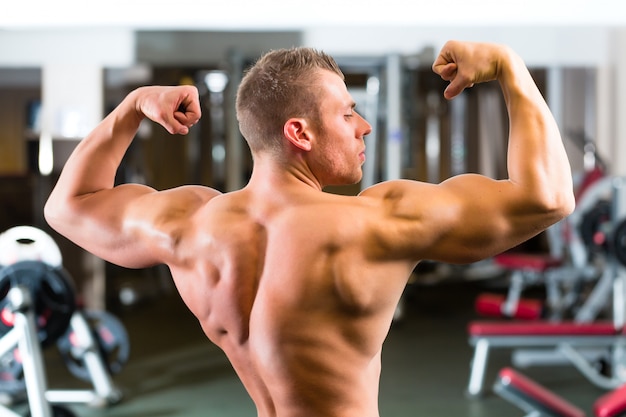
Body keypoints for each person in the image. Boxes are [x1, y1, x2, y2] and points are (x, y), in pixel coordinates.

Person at [44, 40, 575, 417]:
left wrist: (132, 109)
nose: (364, 125)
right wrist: (510, 66)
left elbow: (70, 206)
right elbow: (547, 196)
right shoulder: (376, 221)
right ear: (299, 132)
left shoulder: (189, 224)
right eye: (348, 114)